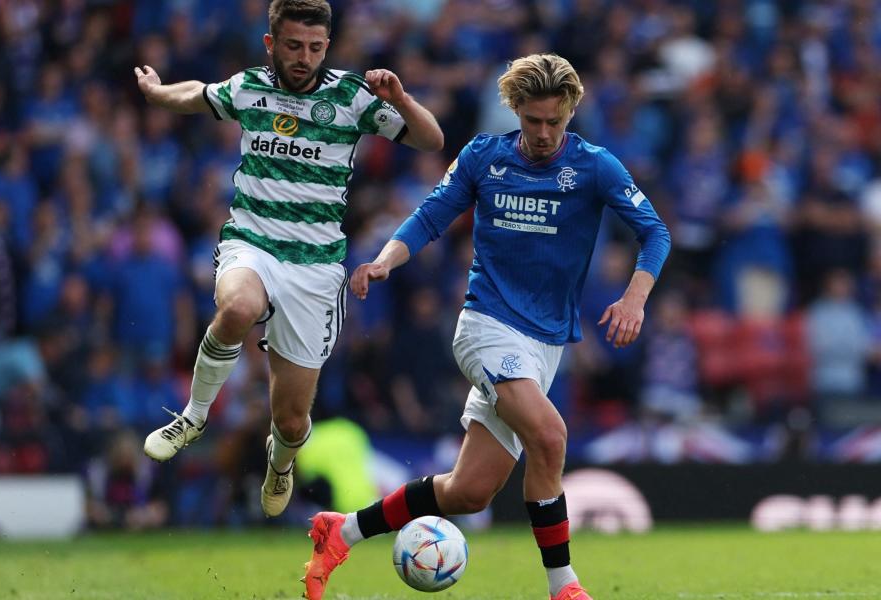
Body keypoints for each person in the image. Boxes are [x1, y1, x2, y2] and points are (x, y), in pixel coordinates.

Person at [302, 54, 671, 600]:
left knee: (468, 492)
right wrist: (383, 261)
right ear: (515, 111)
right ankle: (563, 587)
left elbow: (654, 232)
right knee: (550, 437)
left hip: (545, 345)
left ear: (570, 112)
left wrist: (634, 299)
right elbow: (431, 214)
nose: (543, 134)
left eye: (554, 122)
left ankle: (343, 530)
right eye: (532, 121)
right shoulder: (483, 157)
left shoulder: (595, 166)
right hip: (486, 326)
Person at [132, 0, 443, 518]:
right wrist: (157, 92)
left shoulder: (350, 97)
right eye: (294, 46)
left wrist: (402, 100)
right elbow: (198, 96)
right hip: (252, 241)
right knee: (235, 309)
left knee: (294, 420)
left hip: (316, 266)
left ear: (327, 46)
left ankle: (281, 464)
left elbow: (431, 140)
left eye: (315, 47)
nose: (304, 57)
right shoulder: (250, 87)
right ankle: (193, 415)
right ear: (271, 44)